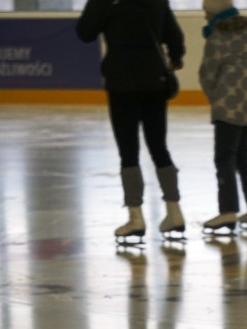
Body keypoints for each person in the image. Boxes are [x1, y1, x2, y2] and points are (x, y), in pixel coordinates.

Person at [76, 0, 187, 243]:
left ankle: (135, 217)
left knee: (128, 152)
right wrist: (175, 57)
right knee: (159, 147)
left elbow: (84, 32)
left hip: (121, 81)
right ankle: (174, 211)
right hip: (154, 79)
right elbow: (175, 36)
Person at [199, 0, 247, 234]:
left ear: (215, 13)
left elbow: (207, 73)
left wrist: (216, 96)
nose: (205, 17)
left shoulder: (217, 37)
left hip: (226, 107)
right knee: (243, 156)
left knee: (224, 158)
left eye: (206, 12)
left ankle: (228, 211)